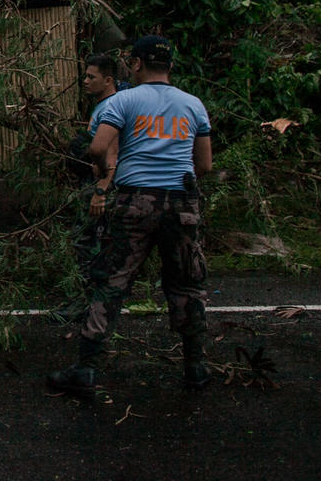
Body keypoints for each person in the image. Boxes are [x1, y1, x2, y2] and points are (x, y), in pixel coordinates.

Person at [48, 36, 213, 399]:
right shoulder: (193, 105)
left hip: (135, 201)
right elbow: (204, 165)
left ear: (136, 64)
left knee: (112, 281)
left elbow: (96, 147)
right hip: (182, 202)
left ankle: (87, 369)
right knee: (187, 283)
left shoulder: (123, 100)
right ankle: (196, 367)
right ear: (169, 65)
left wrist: (102, 170)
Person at [54, 54, 120, 322]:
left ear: (108, 80)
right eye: (85, 76)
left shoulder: (111, 108)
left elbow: (112, 153)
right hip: (97, 182)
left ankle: (84, 305)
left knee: (86, 243)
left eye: (91, 77)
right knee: (91, 243)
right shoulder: (103, 106)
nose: (85, 81)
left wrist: (101, 187)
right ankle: (91, 302)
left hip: (100, 185)